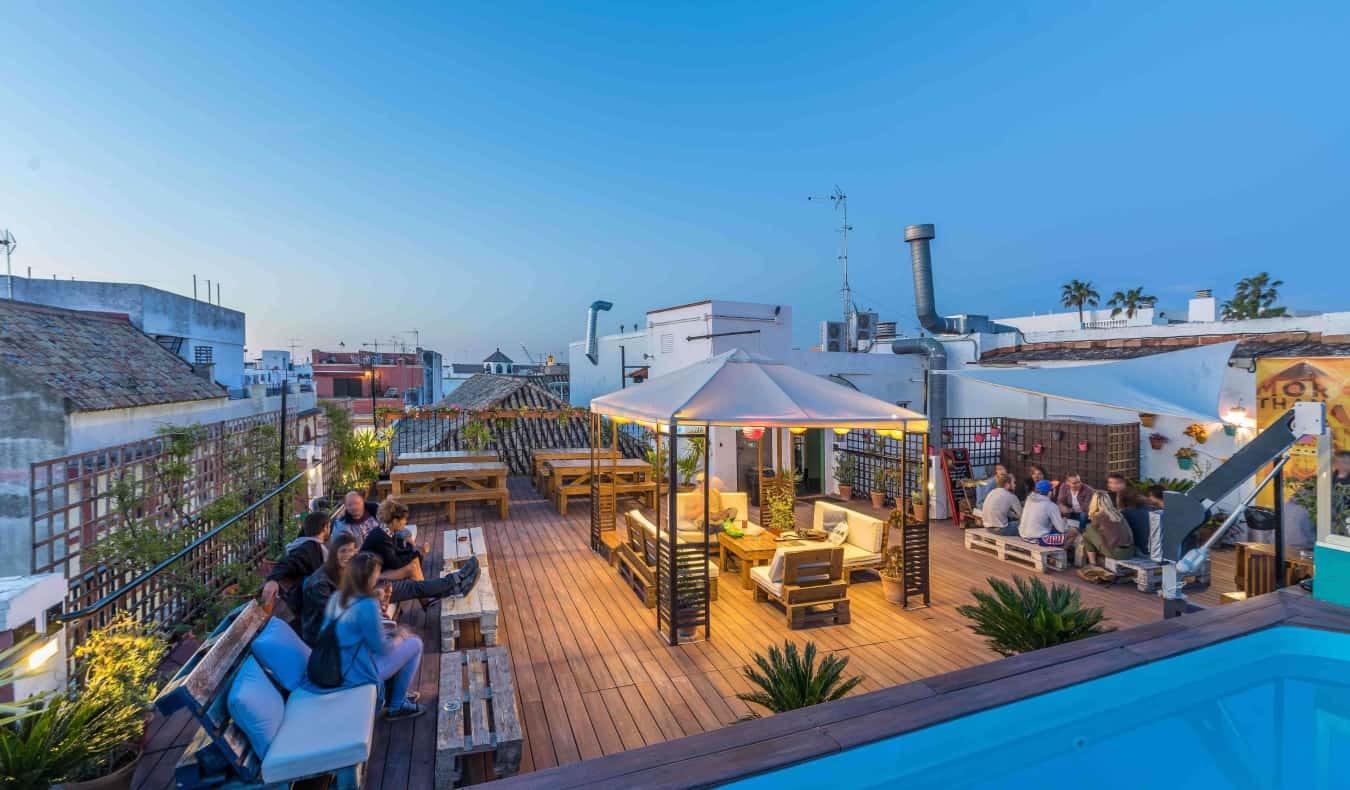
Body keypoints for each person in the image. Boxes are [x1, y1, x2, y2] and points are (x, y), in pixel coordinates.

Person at [302, 533, 480, 647]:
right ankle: (457, 583)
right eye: (343, 551)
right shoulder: (318, 584)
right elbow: (339, 618)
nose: (348, 555)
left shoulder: (346, 568)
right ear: (333, 553)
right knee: (408, 639)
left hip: (361, 606)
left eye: (351, 551)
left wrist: (377, 593)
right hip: (329, 639)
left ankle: (456, 581)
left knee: (412, 586)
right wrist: (375, 600)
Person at [316, 552, 426, 719]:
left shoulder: (338, 597)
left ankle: (395, 693)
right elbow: (382, 648)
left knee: (396, 636)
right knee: (415, 643)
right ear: (368, 579)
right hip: (354, 674)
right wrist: (400, 636)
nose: (379, 579)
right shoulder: (367, 605)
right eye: (377, 576)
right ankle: (397, 705)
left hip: (336, 663)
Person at [260, 511, 330, 625]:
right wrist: (272, 580)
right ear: (326, 527)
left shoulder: (308, 545)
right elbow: (289, 562)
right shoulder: (309, 548)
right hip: (308, 611)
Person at [361, 498, 429, 582]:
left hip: (381, 566)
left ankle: (422, 588)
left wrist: (416, 551)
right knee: (412, 566)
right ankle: (422, 589)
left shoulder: (387, 531)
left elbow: (396, 552)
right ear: (395, 521)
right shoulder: (382, 537)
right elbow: (395, 563)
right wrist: (417, 553)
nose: (405, 522)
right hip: (370, 575)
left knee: (414, 561)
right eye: (404, 519)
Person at [1081, 490, 1135, 565]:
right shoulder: (1118, 514)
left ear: (1094, 503)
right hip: (1130, 551)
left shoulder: (1099, 516)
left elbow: (1091, 533)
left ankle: (1092, 563)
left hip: (1117, 554)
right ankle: (1093, 562)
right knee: (1090, 532)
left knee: (1087, 532)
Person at [1020, 480, 1077, 547]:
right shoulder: (1051, 505)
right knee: (1073, 532)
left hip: (1023, 535)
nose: (1055, 491)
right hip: (1038, 539)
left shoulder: (1028, 499)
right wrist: (1064, 520)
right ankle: (1059, 555)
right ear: (1050, 493)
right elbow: (1061, 529)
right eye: (1054, 489)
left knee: (1053, 529)